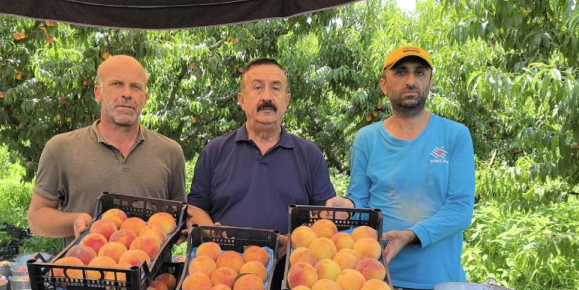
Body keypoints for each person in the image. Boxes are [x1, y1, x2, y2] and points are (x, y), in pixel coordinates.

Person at [346, 45, 475, 290]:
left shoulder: (454, 136)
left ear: (429, 81)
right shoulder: (367, 139)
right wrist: (343, 205)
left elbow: (460, 210)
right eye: (401, 72)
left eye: (420, 73)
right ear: (384, 84)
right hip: (377, 278)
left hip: (437, 281)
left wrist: (410, 235)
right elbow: (359, 202)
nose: (411, 81)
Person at [187, 58, 351, 236]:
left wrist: (339, 210)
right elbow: (195, 208)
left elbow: (324, 217)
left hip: (292, 254)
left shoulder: (310, 155)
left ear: (286, 101)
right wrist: (212, 233)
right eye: (257, 87)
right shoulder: (214, 151)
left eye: (275, 88)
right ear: (242, 100)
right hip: (225, 254)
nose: (266, 97)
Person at [28, 55, 186, 239]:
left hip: (151, 257)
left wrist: (184, 229)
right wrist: (75, 221)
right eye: (117, 84)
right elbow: (36, 218)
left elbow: (179, 221)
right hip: (88, 258)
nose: (127, 94)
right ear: (98, 93)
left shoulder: (170, 152)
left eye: (136, 87)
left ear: (145, 99)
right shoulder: (61, 148)